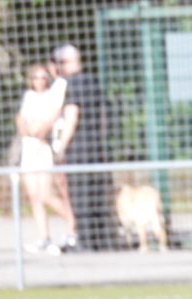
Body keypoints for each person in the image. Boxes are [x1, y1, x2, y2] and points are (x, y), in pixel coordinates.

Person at [51, 45, 117, 252]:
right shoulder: (93, 81)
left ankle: (85, 242)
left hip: (79, 148)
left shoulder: (73, 84)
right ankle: (102, 240)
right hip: (96, 146)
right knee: (97, 193)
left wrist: (61, 147)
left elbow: (71, 117)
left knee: (80, 196)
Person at [15, 63, 76, 255]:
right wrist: (26, 130)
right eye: (36, 77)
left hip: (44, 148)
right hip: (29, 147)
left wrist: (41, 132)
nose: (39, 80)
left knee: (46, 194)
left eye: (43, 77)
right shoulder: (28, 97)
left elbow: (52, 116)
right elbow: (21, 118)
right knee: (34, 196)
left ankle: (73, 224)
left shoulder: (53, 95)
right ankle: (44, 237)